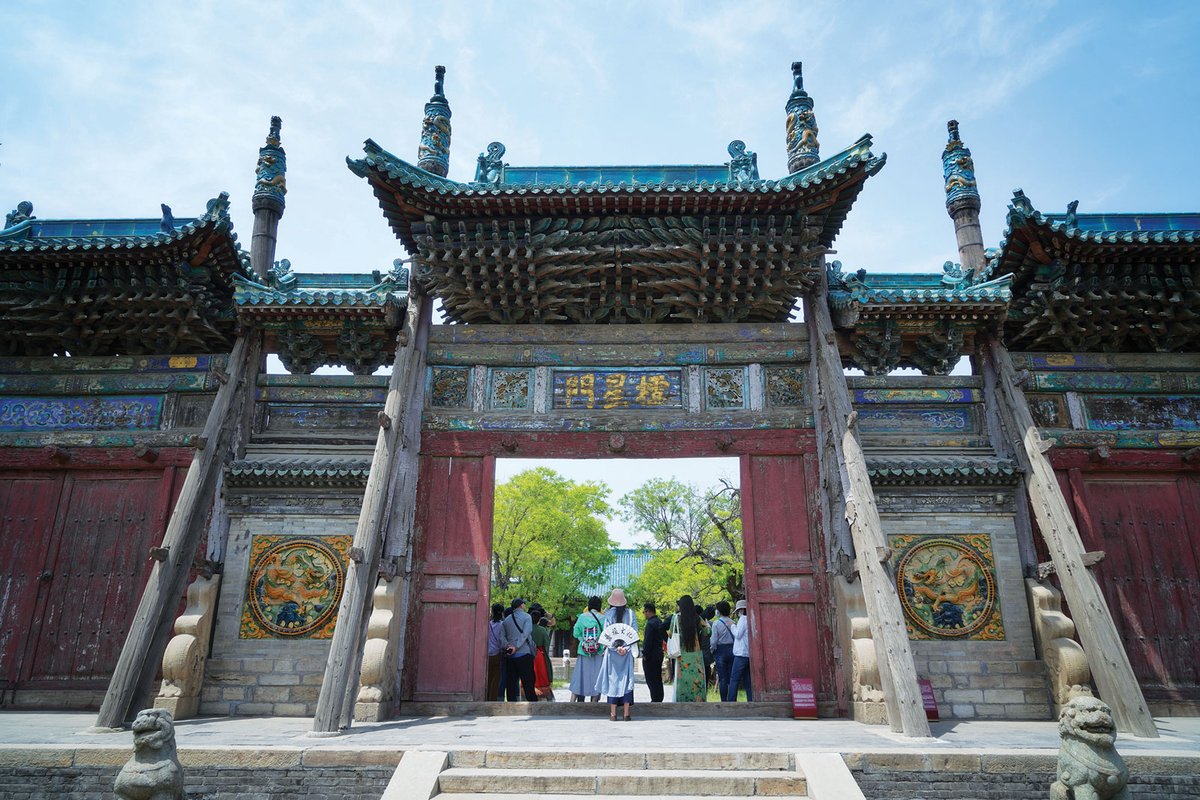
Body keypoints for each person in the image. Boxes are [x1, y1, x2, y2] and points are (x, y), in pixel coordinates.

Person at [595, 588, 637, 721]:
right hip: (627, 652)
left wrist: (616, 647)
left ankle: (613, 714)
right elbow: (634, 634)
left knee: (613, 680)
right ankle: (626, 713)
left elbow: (607, 634)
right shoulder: (631, 614)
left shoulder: (607, 614)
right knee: (626, 680)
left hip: (612, 653)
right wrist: (625, 648)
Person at [672, 594, 709, 702]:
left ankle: (682, 700)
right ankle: (698, 700)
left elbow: (671, 634)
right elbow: (708, 632)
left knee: (683, 678)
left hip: (681, 654)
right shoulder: (697, 618)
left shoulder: (676, 618)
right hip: (696, 654)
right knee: (696, 678)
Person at [500, 597, 537, 701]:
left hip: (511, 656)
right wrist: (516, 646)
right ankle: (532, 705)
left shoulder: (506, 620)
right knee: (528, 682)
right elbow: (525, 634)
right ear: (521, 605)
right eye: (524, 604)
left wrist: (509, 646)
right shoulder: (527, 617)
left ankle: (511, 705)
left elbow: (501, 637)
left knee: (511, 684)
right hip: (524, 653)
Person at [569, 595, 605, 702]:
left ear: (589, 605)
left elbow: (575, 633)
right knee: (596, 677)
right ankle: (594, 702)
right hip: (598, 652)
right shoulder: (603, 618)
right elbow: (605, 636)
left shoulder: (582, 617)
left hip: (583, 651)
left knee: (580, 676)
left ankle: (573, 701)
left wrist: (583, 641)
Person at [709, 600, 735, 701]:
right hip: (732, 650)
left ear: (719, 611)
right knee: (732, 678)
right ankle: (732, 700)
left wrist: (712, 650)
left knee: (723, 678)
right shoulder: (733, 622)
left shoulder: (716, 623)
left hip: (721, 652)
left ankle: (724, 701)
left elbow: (713, 641)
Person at [728, 599, 753, 701]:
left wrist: (732, 626)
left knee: (734, 679)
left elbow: (738, 635)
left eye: (738, 611)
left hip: (741, 654)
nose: (738, 613)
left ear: (742, 609)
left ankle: (731, 701)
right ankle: (751, 701)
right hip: (748, 654)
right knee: (748, 681)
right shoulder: (750, 618)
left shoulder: (743, 619)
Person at [641, 601, 666, 703]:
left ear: (648, 611)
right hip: (659, 653)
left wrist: (645, 654)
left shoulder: (650, 624)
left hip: (651, 655)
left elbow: (648, 641)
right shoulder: (659, 622)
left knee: (651, 678)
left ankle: (655, 699)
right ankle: (659, 698)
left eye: (644, 612)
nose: (644, 614)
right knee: (657, 678)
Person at [530, 605, 555, 701]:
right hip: (540, 654)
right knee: (541, 675)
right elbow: (546, 643)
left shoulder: (527, 629)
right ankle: (543, 696)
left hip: (528, 654)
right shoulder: (542, 630)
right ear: (539, 619)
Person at [487, 602, 505, 701]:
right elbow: (502, 640)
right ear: (502, 613)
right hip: (498, 654)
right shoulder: (503, 625)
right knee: (496, 680)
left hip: (487, 655)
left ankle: (485, 697)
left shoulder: (488, 624)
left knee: (488, 679)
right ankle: (492, 699)